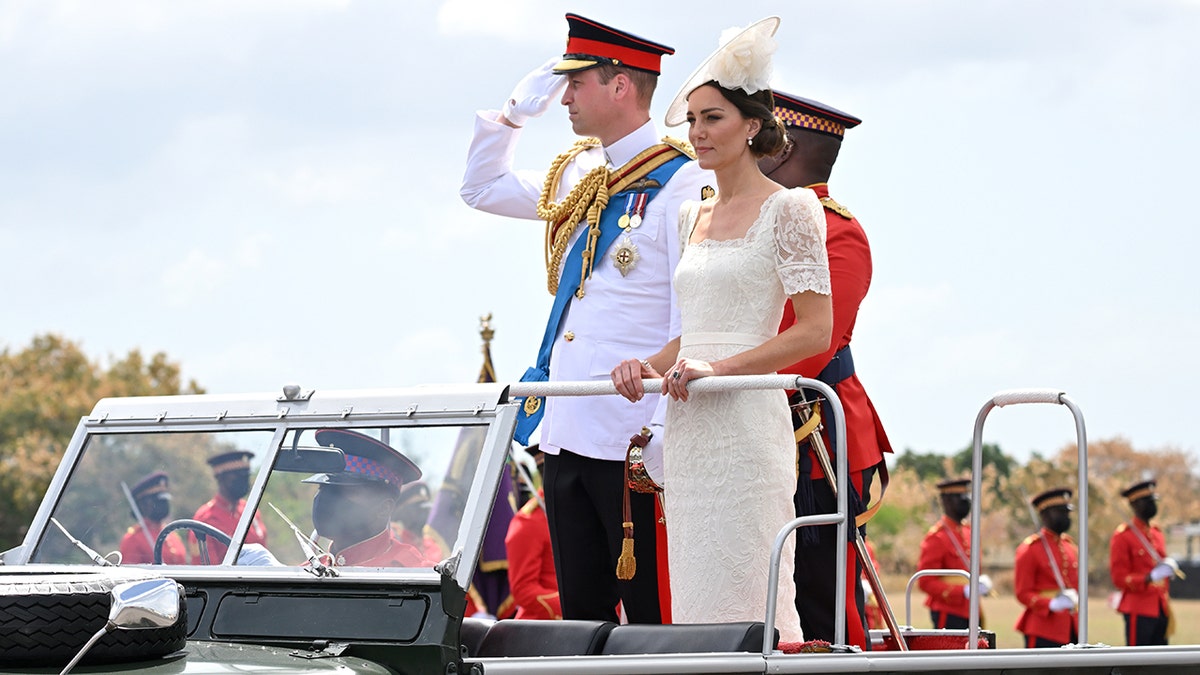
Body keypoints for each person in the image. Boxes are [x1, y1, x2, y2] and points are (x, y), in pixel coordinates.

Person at [460, 12, 712, 624]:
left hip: (631, 437)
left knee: (652, 618)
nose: (565, 96)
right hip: (567, 425)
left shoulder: (682, 183)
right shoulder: (578, 172)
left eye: (577, 83)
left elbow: (692, 320)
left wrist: (657, 433)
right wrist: (513, 116)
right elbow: (481, 188)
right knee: (581, 622)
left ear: (621, 85)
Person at [611, 16, 830, 643]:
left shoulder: (791, 207)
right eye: (694, 119)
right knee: (698, 600)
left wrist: (721, 370)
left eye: (714, 118)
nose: (698, 132)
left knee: (754, 590)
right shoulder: (688, 215)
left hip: (745, 425)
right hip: (690, 425)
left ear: (752, 126)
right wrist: (646, 365)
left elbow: (815, 330)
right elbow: (697, 332)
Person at [759, 88, 892, 649]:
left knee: (820, 596)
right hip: (763, 420)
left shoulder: (836, 230)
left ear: (783, 148)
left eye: (761, 138)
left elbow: (812, 344)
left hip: (812, 433)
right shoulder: (751, 218)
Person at [302, 429, 429, 568]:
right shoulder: (303, 574)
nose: (326, 498)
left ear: (384, 508)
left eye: (343, 490)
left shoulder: (418, 574)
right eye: (323, 487)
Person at [916, 477, 992, 629]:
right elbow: (925, 581)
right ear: (946, 501)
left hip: (971, 610)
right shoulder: (937, 537)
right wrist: (961, 591)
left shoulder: (970, 532)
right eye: (960, 498)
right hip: (948, 611)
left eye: (967, 498)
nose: (966, 503)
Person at [1110, 479, 1175, 646]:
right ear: (1134, 504)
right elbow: (1119, 578)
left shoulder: (1157, 532)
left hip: (1161, 606)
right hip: (1138, 608)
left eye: (1153, 500)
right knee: (1137, 665)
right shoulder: (1123, 535)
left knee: (1160, 664)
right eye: (1148, 501)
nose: (1152, 504)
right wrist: (1148, 577)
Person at [1014, 487, 1080, 648]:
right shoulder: (1030, 548)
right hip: (1043, 627)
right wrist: (1050, 604)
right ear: (1045, 514)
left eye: (1067, 512)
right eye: (1060, 512)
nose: (1066, 516)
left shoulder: (1070, 546)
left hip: (1072, 625)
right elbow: (1023, 592)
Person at [505, 444, 561, 620]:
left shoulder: (582, 512)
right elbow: (523, 590)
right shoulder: (527, 522)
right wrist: (576, 606)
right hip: (544, 630)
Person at [191, 450, 268, 564]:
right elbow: (206, 572)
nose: (243, 480)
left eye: (246, 476)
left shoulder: (251, 511)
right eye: (238, 476)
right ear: (221, 477)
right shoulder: (205, 519)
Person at [119, 471, 188, 565]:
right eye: (158, 501)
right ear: (144, 504)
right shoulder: (133, 539)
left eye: (164, 500)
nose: (163, 505)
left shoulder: (172, 535)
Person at [392, 481, 444, 564]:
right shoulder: (395, 544)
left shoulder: (434, 543)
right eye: (417, 507)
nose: (425, 511)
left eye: (425, 506)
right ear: (402, 512)